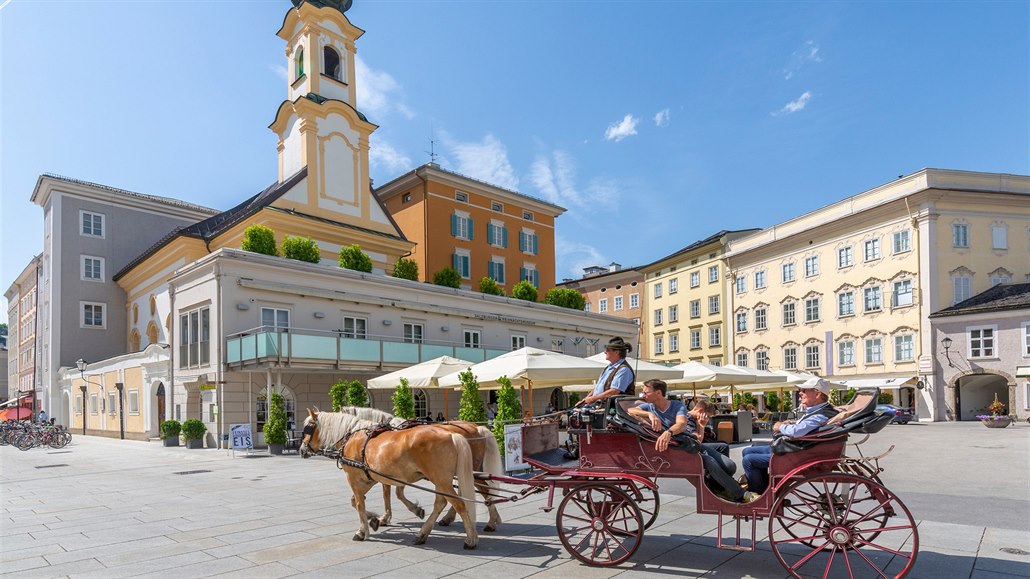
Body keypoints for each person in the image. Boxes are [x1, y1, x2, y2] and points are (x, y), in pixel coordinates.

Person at [627, 381, 750, 503]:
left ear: (658, 393)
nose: (643, 395)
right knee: (707, 460)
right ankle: (739, 493)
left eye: (646, 392)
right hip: (678, 447)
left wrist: (668, 432)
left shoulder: (676, 405)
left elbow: (681, 424)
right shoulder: (649, 407)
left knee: (730, 466)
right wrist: (649, 414)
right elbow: (630, 410)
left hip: (686, 442)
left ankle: (721, 484)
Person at [742, 377, 839, 496]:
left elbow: (797, 431)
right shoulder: (820, 411)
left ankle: (758, 494)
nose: (801, 393)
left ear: (817, 393)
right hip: (796, 447)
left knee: (749, 460)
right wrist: (793, 423)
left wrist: (779, 426)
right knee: (747, 451)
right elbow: (804, 427)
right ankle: (763, 484)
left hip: (797, 452)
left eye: (804, 390)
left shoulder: (821, 414)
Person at [576, 337, 636, 406]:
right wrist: (584, 400)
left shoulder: (624, 370)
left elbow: (614, 391)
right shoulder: (608, 368)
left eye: (607, 350)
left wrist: (593, 399)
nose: (605, 352)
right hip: (601, 405)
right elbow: (598, 388)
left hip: (614, 408)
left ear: (617, 352)